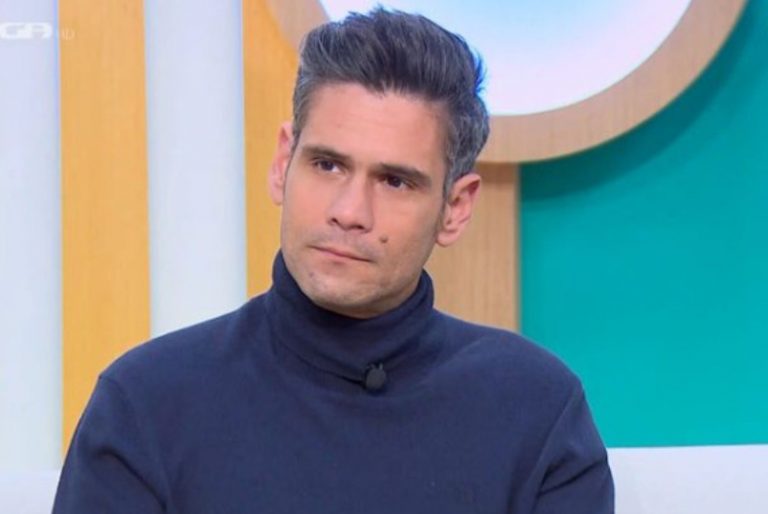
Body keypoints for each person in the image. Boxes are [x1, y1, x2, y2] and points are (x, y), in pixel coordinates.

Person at [53, 7, 613, 513]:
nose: (349, 212)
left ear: (455, 208)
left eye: (395, 181)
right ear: (283, 163)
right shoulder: (145, 405)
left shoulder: (536, 411)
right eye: (327, 165)